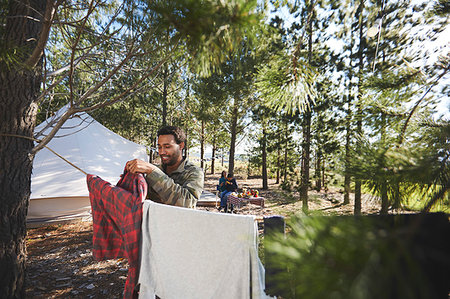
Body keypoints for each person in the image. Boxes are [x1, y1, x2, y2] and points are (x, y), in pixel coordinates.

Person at [126, 125, 204, 208]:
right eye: (159, 147)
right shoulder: (154, 170)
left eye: (167, 147)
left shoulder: (194, 172)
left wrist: (153, 172)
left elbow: (187, 202)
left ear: (181, 146)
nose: (162, 152)